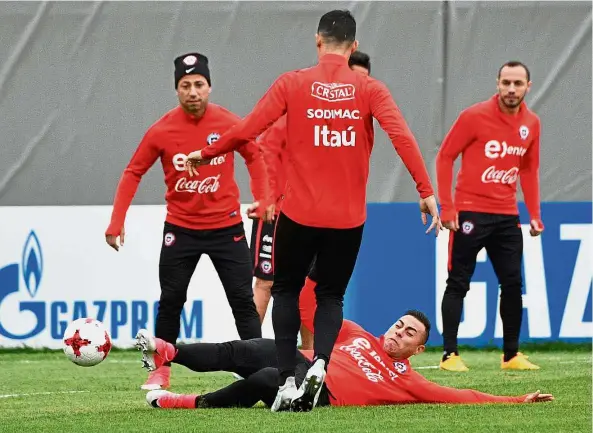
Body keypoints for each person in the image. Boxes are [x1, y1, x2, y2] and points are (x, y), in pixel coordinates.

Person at [185, 10, 441, 412]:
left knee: (285, 290)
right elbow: (402, 136)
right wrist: (425, 191)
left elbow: (248, 129)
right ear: (353, 46)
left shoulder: (292, 83)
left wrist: (206, 152)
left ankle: (288, 376)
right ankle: (320, 361)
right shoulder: (370, 88)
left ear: (317, 42)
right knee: (331, 294)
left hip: (300, 216)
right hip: (348, 219)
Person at [134, 276, 554, 410]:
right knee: (253, 348)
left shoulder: (407, 381)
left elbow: (460, 394)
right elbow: (311, 308)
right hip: (301, 365)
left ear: (417, 350)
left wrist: (516, 402)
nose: (398, 333)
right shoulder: (357, 333)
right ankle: (170, 351)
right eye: (398, 325)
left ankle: (185, 402)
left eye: (409, 334)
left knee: (267, 376)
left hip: (323, 396)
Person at [105, 52, 269, 391]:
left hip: (227, 228)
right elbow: (133, 171)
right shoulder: (163, 129)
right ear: (176, 90)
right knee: (172, 298)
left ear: (209, 87)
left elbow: (254, 154)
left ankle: (260, 368)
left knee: (242, 300)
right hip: (182, 230)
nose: (192, 91)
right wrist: (116, 221)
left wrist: (263, 198)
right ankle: (160, 369)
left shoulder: (227, 123)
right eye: (185, 85)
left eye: (199, 84)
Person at [250, 50, 374, 351]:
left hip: (323, 217)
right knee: (267, 283)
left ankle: (307, 357)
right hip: (280, 214)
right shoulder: (304, 113)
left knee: (312, 290)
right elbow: (263, 150)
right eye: (352, 77)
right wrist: (268, 198)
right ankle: (249, 352)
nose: (354, 85)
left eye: (362, 80)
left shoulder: (357, 119)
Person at [435, 60, 544, 372]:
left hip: (507, 216)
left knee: (512, 283)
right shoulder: (474, 116)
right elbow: (445, 156)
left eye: (518, 84)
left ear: (528, 86)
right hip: (471, 212)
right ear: (497, 83)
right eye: (506, 82)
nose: (511, 89)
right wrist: (448, 206)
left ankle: (511, 355)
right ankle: (449, 355)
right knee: (458, 282)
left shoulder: (532, 124)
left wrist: (534, 214)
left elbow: (529, 170)